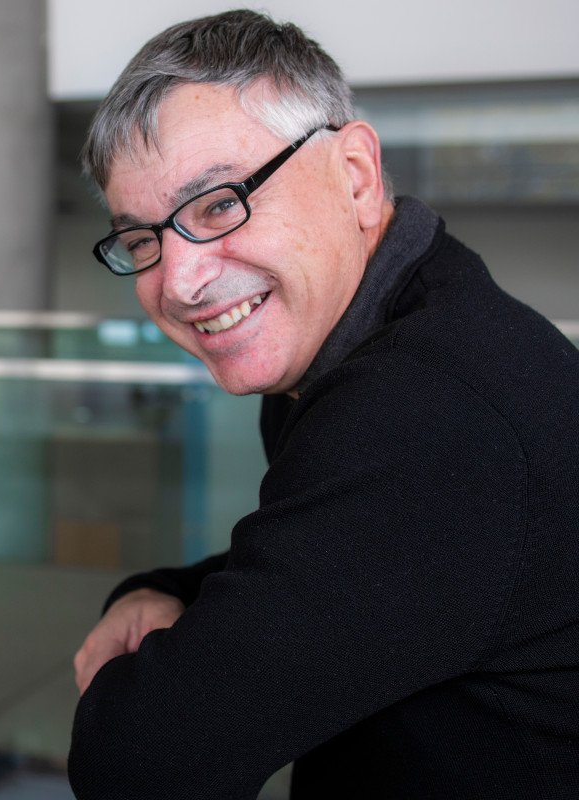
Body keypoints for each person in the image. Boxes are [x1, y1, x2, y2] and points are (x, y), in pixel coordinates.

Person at [68, 10, 579, 800]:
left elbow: (137, 763)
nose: (178, 281)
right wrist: (167, 590)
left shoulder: (429, 417)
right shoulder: (407, 327)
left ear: (355, 176)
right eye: (142, 241)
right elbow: (342, 556)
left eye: (219, 204)